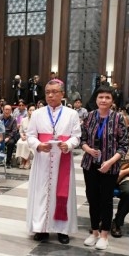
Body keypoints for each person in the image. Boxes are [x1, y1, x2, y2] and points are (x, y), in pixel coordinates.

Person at [25, 80, 81, 244]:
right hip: (43, 159)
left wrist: (69, 144)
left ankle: (62, 230)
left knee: (62, 194)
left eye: (55, 92)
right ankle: (41, 228)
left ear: (62, 94)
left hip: (62, 158)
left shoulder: (72, 114)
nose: (50, 95)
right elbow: (30, 136)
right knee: (41, 193)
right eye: (48, 92)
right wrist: (38, 145)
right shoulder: (37, 114)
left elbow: (76, 136)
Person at [79, 86, 129, 250]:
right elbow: (82, 139)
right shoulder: (90, 116)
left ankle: (104, 234)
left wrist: (110, 162)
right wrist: (88, 150)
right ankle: (94, 232)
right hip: (90, 164)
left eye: (107, 97)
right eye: (101, 97)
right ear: (96, 99)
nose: (104, 100)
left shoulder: (118, 118)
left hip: (110, 166)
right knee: (92, 198)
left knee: (106, 200)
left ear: (112, 100)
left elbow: (124, 146)